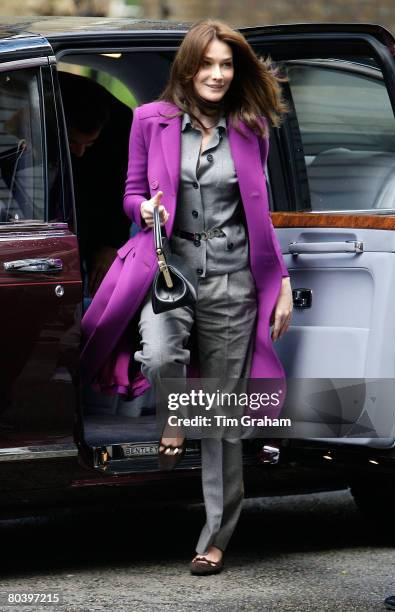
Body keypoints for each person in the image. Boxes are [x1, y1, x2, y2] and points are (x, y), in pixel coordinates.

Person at [80, 18, 293, 575]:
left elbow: (260, 210)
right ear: (188, 68)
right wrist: (144, 210)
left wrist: (283, 283)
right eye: (208, 64)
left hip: (233, 278)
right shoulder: (150, 121)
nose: (218, 75)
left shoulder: (250, 126)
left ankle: (215, 537)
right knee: (157, 353)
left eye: (227, 65)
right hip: (169, 269)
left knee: (222, 417)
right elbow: (129, 192)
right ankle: (175, 417)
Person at [58, 71, 133, 296]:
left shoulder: (119, 128)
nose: (80, 152)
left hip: (98, 213)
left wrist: (111, 244)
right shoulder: (40, 101)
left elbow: (120, 187)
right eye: (72, 141)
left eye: (88, 144)